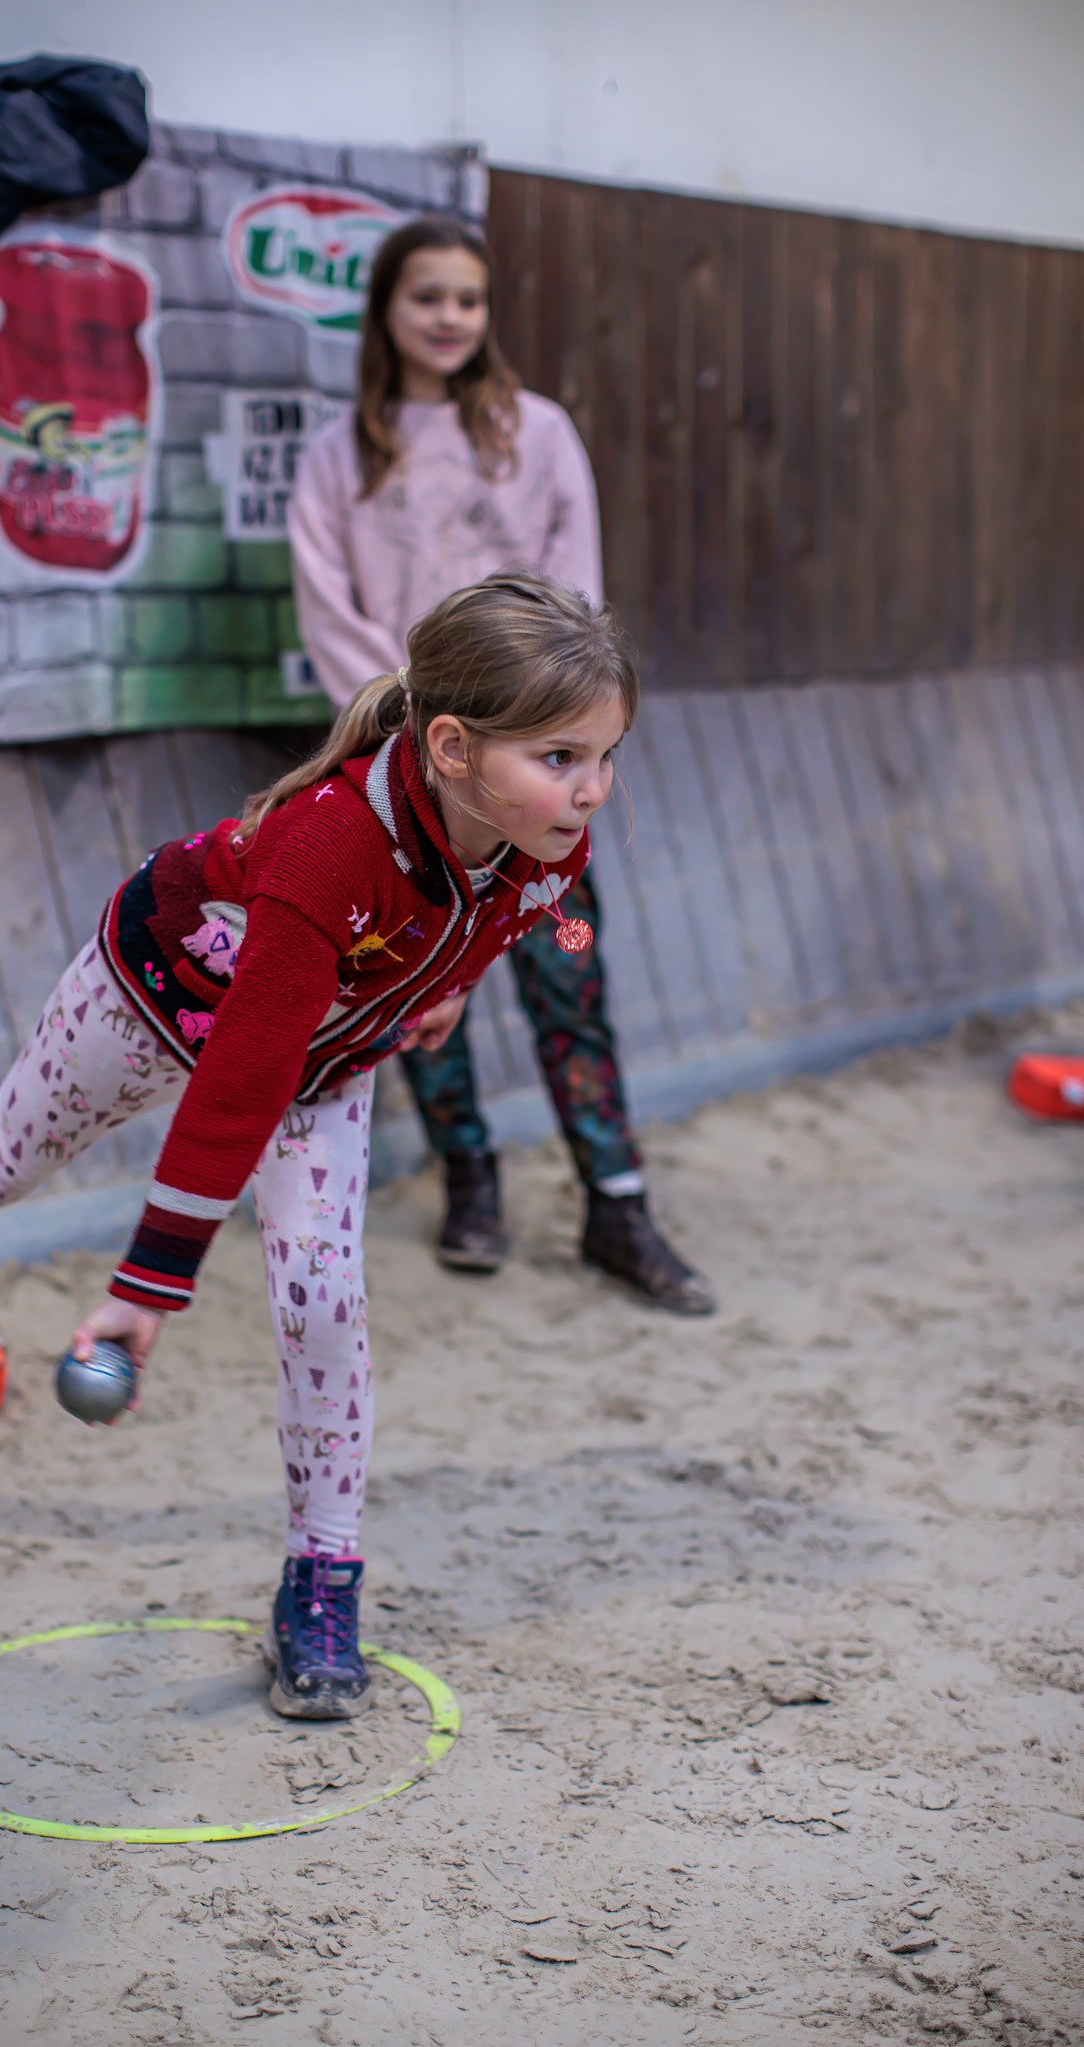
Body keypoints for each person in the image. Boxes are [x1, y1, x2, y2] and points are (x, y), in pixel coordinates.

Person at [0, 573, 632, 1717]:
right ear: (454, 747)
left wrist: (449, 986)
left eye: (605, 754)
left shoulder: (550, 844)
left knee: (324, 1297)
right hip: (156, 995)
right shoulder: (333, 846)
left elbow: (505, 918)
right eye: (561, 757)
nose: (592, 788)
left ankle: (321, 1575)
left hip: (324, 1061)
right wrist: (149, 1284)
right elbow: (239, 1080)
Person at [288, 215, 714, 1315]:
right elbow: (327, 603)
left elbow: (574, 597)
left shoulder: (539, 435)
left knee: (569, 970)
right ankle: (468, 1178)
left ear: (488, 312)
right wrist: (426, 724)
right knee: (418, 979)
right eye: (425, 295)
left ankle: (615, 1199)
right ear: (386, 307)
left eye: (467, 298)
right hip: (414, 776)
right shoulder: (341, 454)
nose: (448, 317)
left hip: (536, 779)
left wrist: (530, 723)